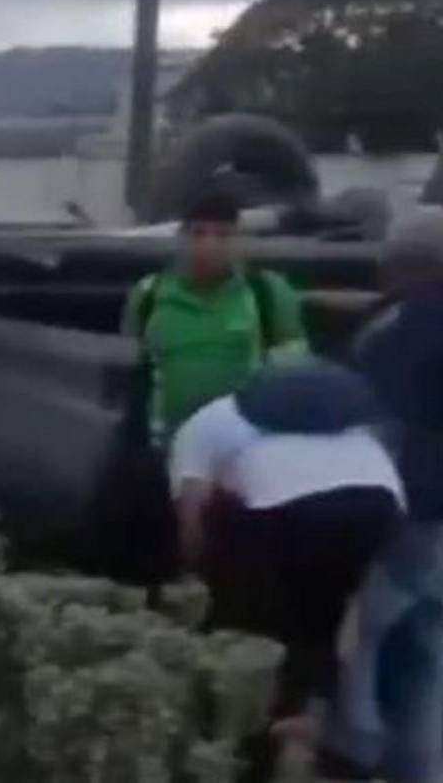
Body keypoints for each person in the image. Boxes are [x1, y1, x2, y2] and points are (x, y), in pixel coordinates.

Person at [168, 363, 404, 721]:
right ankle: (311, 714)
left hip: (284, 512)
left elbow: (192, 517)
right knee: (325, 615)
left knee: (255, 623)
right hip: (378, 504)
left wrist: (199, 582)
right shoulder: (348, 423)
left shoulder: (199, 429)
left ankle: (252, 716)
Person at [309, 213, 443, 783]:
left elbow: (369, 422)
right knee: (425, 656)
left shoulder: (397, 325)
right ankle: (414, 768)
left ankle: (353, 757)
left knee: (366, 642)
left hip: (404, 514)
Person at [122, 185, 309, 448]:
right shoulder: (147, 295)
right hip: (165, 448)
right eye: (198, 233)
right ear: (181, 237)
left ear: (240, 241)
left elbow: (293, 377)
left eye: (223, 235)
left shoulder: (267, 293)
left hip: (246, 448)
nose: (209, 245)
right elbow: (130, 373)